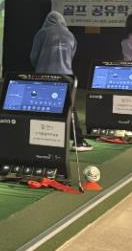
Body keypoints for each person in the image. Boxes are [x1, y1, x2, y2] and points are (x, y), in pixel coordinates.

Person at [29, 11, 92, 151]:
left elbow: (33, 57)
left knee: (41, 108)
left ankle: (40, 141)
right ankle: (78, 142)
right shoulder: (70, 35)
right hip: (65, 77)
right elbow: (71, 56)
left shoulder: (41, 33)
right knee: (69, 109)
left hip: (43, 77)